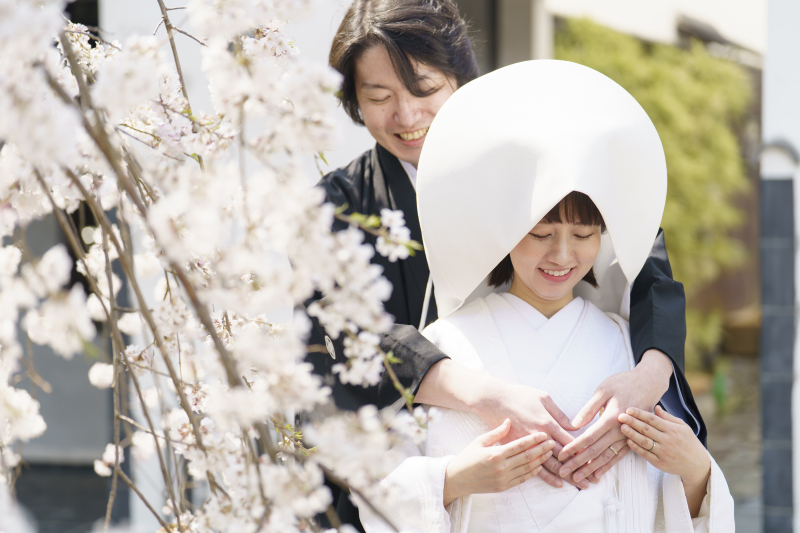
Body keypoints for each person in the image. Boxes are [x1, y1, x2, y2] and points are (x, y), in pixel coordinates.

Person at [307, 0, 705, 526]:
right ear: (355, 101)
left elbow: (642, 260)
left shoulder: (535, 153)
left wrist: (648, 379)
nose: (406, 116)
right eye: (378, 97)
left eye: (424, 88)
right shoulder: (338, 203)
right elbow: (338, 333)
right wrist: (481, 393)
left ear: (461, 78)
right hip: (427, 454)